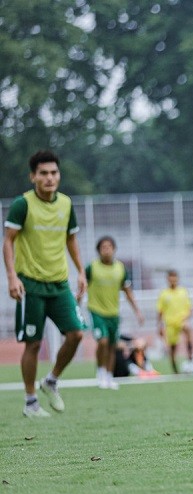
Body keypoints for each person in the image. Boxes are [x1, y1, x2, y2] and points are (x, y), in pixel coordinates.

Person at [3, 150, 86, 418]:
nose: (49, 178)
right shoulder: (22, 205)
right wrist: (12, 276)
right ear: (33, 177)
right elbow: (8, 240)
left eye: (54, 173)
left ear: (59, 175)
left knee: (76, 334)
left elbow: (71, 239)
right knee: (34, 344)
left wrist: (81, 272)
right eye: (43, 173)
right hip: (31, 285)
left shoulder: (66, 204)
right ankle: (30, 402)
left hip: (59, 284)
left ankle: (51, 380)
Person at [86, 235, 145, 389]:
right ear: (98, 250)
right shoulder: (92, 268)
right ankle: (100, 371)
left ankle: (109, 376)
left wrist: (137, 311)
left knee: (112, 345)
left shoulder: (120, 268)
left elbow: (127, 291)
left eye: (109, 247)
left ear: (114, 249)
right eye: (103, 247)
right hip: (97, 311)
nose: (106, 250)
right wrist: (76, 304)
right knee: (103, 342)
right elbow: (82, 286)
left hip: (113, 313)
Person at [156, 269, 193, 373]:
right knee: (172, 348)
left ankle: (191, 357)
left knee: (188, 329)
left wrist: (187, 317)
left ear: (177, 279)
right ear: (168, 279)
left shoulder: (183, 291)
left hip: (182, 320)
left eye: (174, 277)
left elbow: (189, 308)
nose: (173, 280)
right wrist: (159, 326)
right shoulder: (163, 294)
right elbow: (160, 311)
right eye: (171, 278)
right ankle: (175, 371)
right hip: (170, 324)